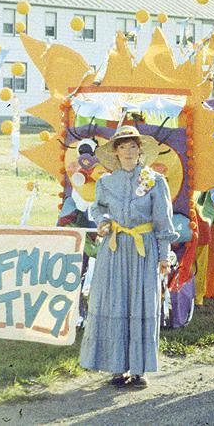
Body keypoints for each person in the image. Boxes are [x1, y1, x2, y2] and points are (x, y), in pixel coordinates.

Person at [80, 126, 178, 389]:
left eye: (132, 146)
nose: (128, 151)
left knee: (141, 304)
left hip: (142, 250)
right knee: (115, 303)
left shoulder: (155, 181)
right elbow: (98, 207)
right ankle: (116, 367)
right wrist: (102, 222)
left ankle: (139, 370)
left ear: (140, 150)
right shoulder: (105, 182)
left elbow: (163, 223)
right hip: (114, 249)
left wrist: (164, 256)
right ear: (115, 152)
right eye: (122, 147)